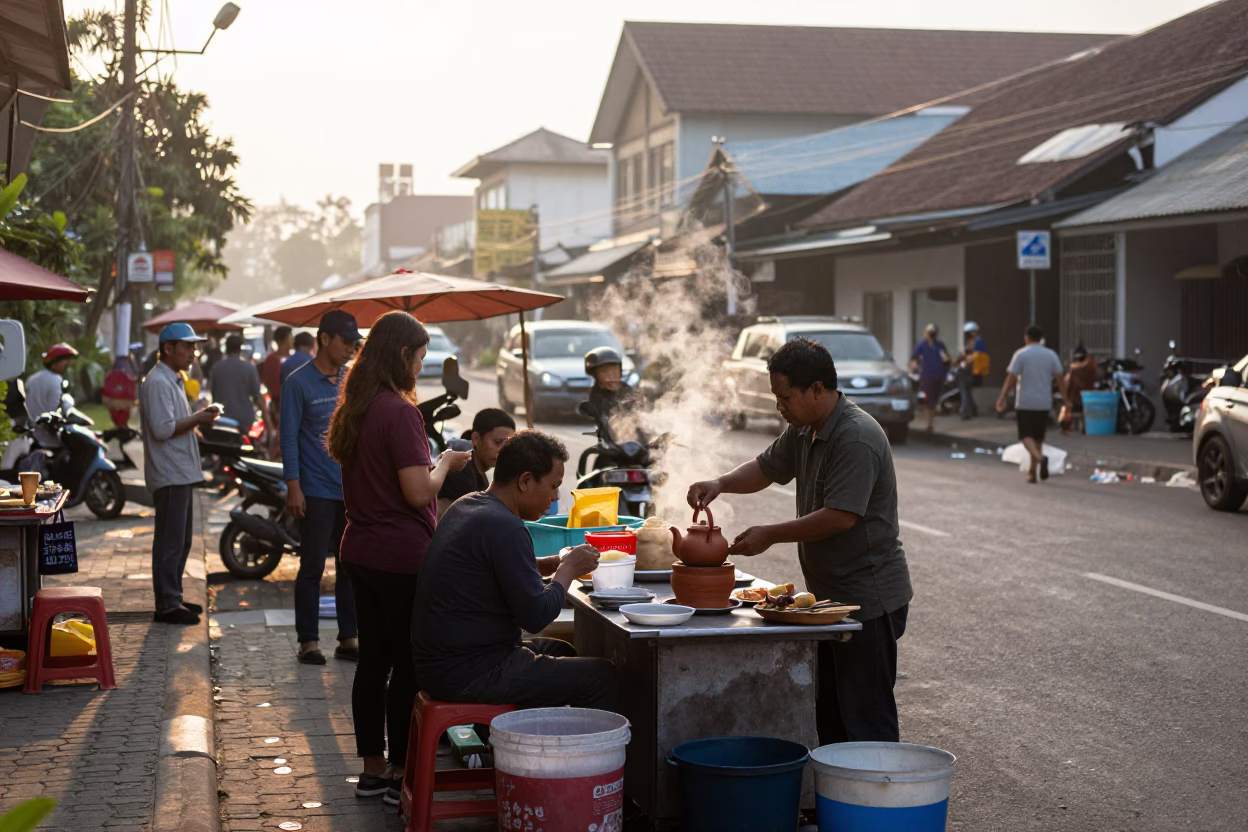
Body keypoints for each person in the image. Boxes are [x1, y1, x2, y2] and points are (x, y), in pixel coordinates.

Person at [686, 337, 912, 744]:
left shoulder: (855, 437)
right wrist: (719, 483)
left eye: (785, 396)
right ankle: (834, 803)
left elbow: (841, 517)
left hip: (869, 596)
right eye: (776, 397)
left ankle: (877, 803)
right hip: (828, 596)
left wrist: (770, 535)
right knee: (830, 711)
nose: (779, 407)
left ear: (818, 390)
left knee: (866, 717)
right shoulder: (804, 428)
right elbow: (766, 468)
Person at [326, 311, 472, 802]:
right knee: (408, 665)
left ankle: (373, 771)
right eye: (421, 354)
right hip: (401, 557)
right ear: (403, 355)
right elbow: (416, 492)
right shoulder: (399, 411)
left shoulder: (358, 406)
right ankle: (402, 774)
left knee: (373, 662)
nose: (423, 363)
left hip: (360, 551)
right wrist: (447, 462)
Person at [413, 431, 615, 718]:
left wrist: (555, 561)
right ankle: (581, 760)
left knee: (565, 652)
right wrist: (567, 570)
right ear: (525, 481)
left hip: (441, 663)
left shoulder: (469, 504)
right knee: (601, 676)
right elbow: (536, 617)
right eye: (553, 486)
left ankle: (528, 746)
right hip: (468, 671)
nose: (556, 496)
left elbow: (502, 567)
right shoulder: (506, 527)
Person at [280, 311, 362, 665]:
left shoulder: (349, 379)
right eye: (345, 341)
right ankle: (308, 642)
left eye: (353, 342)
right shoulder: (297, 383)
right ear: (325, 339)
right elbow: (288, 437)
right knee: (312, 566)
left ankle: (348, 637)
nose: (349, 348)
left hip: (349, 490)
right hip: (314, 490)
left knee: (350, 566)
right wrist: (293, 486)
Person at [139, 323, 220, 625]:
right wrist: (198, 418)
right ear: (169, 348)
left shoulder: (171, 379)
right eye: (188, 347)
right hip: (170, 473)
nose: (193, 353)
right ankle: (167, 604)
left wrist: (196, 423)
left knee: (180, 540)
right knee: (171, 542)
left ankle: (172, 596)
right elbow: (163, 430)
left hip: (179, 472)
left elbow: (172, 423)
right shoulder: (159, 381)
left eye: (194, 347)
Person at [996, 325, 1071, 484]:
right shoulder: (1051, 355)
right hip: (1044, 402)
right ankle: (1032, 473)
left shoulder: (1021, 354)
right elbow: (1060, 379)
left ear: (1026, 338)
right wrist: (1066, 400)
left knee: (1025, 437)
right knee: (1038, 438)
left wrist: (1002, 397)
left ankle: (1040, 458)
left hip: (1025, 402)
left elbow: (1011, 378)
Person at [437, 408, 516, 517]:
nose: (502, 450)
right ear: (476, 439)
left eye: (507, 444)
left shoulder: (479, 472)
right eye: (497, 442)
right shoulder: (462, 470)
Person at [208, 334, 264, 434]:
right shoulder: (249, 368)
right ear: (240, 348)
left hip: (221, 419)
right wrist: (267, 419)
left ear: (226, 348)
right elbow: (257, 397)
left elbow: (214, 393)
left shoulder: (216, 368)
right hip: (244, 420)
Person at [260, 326, 293, 457]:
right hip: (279, 406)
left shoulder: (293, 358)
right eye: (290, 337)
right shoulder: (271, 360)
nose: (293, 340)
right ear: (282, 340)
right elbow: (270, 384)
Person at [910, 324, 949, 432]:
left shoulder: (939, 345)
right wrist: (915, 368)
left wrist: (948, 362)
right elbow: (914, 358)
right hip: (927, 376)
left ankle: (931, 420)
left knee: (935, 400)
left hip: (938, 375)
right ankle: (929, 423)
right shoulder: (922, 345)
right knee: (928, 401)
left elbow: (945, 358)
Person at [584, 346, 639, 422]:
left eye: (615, 370)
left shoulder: (628, 391)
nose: (611, 376)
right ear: (595, 375)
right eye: (604, 371)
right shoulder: (595, 396)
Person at [24, 343, 77, 423]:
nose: (68, 364)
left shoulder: (32, 378)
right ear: (55, 362)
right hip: (46, 431)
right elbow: (54, 410)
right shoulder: (55, 379)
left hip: (31, 428)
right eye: (66, 360)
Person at [955, 322, 989, 420]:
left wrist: (964, 360)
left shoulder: (978, 342)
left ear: (974, 332)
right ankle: (973, 409)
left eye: (968, 333)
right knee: (967, 391)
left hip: (970, 370)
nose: (967, 336)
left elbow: (973, 357)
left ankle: (965, 412)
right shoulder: (973, 342)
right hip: (971, 370)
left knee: (964, 391)